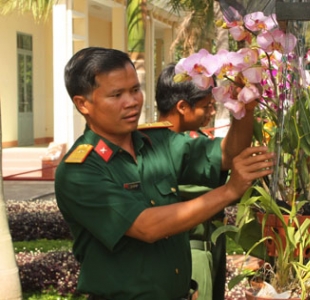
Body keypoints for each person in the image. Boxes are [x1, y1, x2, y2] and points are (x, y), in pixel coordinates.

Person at [54, 47, 274, 300]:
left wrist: (242, 103)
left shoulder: (157, 142)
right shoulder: (80, 171)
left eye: (135, 89)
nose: (132, 101)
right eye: (116, 94)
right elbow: (147, 226)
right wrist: (229, 191)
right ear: (83, 104)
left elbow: (225, 155)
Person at [155, 63, 224, 300]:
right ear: (183, 106)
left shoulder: (192, 139)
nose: (212, 112)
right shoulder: (158, 148)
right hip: (192, 252)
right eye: (207, 106)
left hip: (207, 246)